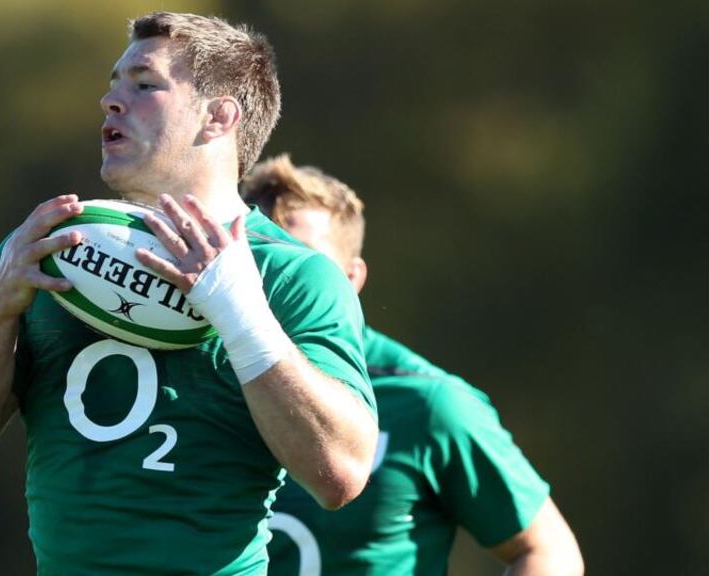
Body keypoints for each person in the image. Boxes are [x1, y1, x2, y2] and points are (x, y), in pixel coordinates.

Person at [0, 13, 379, 575]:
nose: (110, 100)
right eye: (113, 83)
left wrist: (242, 315)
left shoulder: (292, 275)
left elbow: (341, 473)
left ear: (218, 117)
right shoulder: (50, 248)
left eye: (144, 84)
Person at [242, 155, 585, 575]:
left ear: (351, 279)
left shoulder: (428, 404)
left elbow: (547, 551)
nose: (275, 275)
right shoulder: (189, 379)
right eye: (257, 255)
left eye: (303, 260)